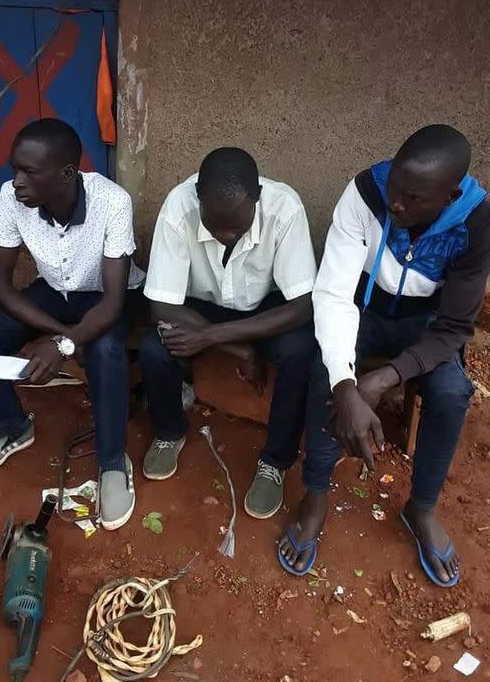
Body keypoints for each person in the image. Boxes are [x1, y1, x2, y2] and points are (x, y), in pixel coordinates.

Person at [279, 124, 490, 586]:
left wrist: (382, 379)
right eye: (395, 185)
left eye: (413, 198)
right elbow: (333, 294)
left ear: (449, 194)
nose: (396, 203)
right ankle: (315, 496)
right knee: (324, 370)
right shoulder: (364, 193)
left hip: (427, 323)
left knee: (453, 392)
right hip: (363, 307)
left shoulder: (475, 220)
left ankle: (423, 507)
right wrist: (346, 383)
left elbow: (455, 327)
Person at [0, 118, 144, 531]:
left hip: (104, 295)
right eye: (15, 170)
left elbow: (114, 301)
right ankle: (10, 428)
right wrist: (61, 337)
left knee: (106, 350)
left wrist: (62, 345)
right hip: (53, 291)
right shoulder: (11, 199)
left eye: (29, 172)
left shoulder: (111, 202)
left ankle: (113, 463)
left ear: (66, 173)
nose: (17, 181)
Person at [139, 146, 318, 519]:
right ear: (198, 197)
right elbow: (162, 305)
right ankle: (170, 431)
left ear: (257, 199)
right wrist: (242, 351)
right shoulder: (178, 208)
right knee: (155, 348)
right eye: (213, 224)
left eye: (236, 227)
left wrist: (213, 338)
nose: (224, 235)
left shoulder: (284, 210)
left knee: (300, 352)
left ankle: (276, 461)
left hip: (267, 308)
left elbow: (302, 307)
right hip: (199, 306)